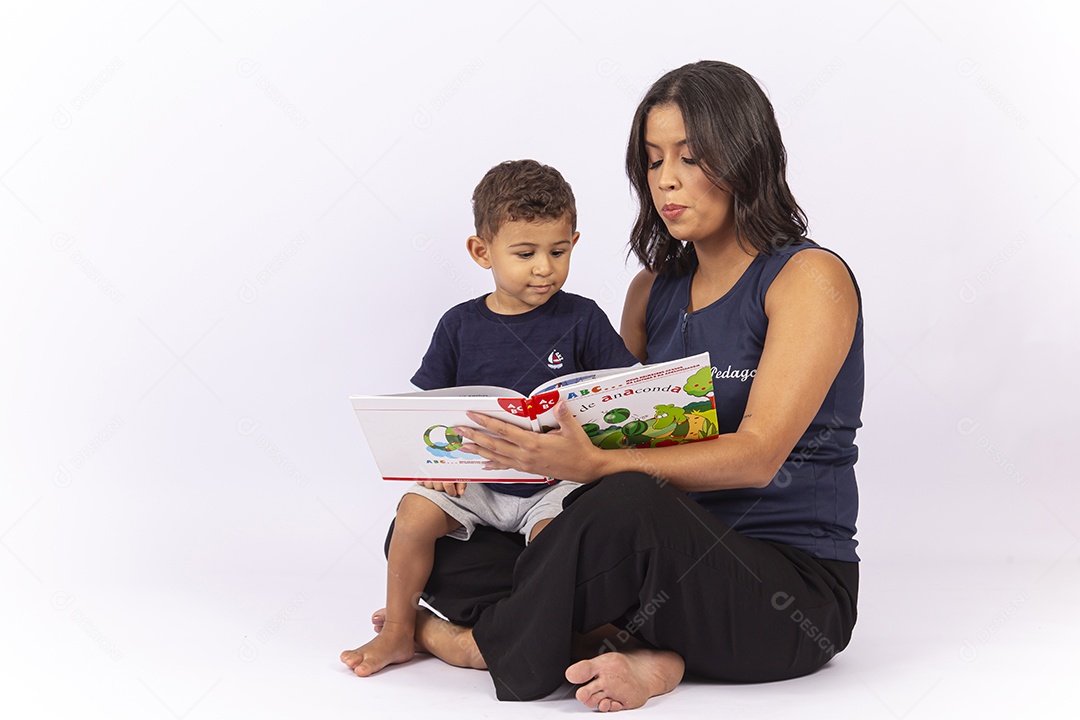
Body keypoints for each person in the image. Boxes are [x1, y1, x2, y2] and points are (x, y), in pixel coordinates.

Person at [389, 61, 865, 712]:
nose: (665, 179)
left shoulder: (808, 278)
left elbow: (758, 456)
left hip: (784, 587)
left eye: (691, 157)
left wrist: (596, 462)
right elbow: (602, 420)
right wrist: (516, 453)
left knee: (627, 502)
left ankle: (474, 644)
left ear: (745, 158)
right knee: (427, 532)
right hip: (647, 565)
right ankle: (641, 648)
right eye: (651, 160)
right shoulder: (650, 291)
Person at [340, 159, 639, 678]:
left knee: (560, 545)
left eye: (559, 251)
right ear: (482, 252)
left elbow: (623, 392)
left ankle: (548, 635)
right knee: (412, 514)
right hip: (475, 478)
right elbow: (421, 415)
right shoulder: (458, 325)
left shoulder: (582, 317)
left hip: (554, 482)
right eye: (525, 254)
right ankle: (397, 632)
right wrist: (431, 464)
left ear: (574, 241)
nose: (544, 267)